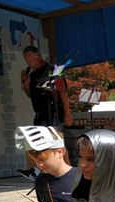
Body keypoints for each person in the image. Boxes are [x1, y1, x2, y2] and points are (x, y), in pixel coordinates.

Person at [19, 46, 73, 179]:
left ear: (39, 55)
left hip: (53, 111)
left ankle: (40, 171)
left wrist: (67, 113)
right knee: (49, 143)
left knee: (55, 142)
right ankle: (61, 172)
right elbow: (31, 95)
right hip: (40, 113)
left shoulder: (52, 70)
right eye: (27, 61)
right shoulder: (32, 74)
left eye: (32, 59)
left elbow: (63, 91)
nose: (30, 63)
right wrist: (26, 84)